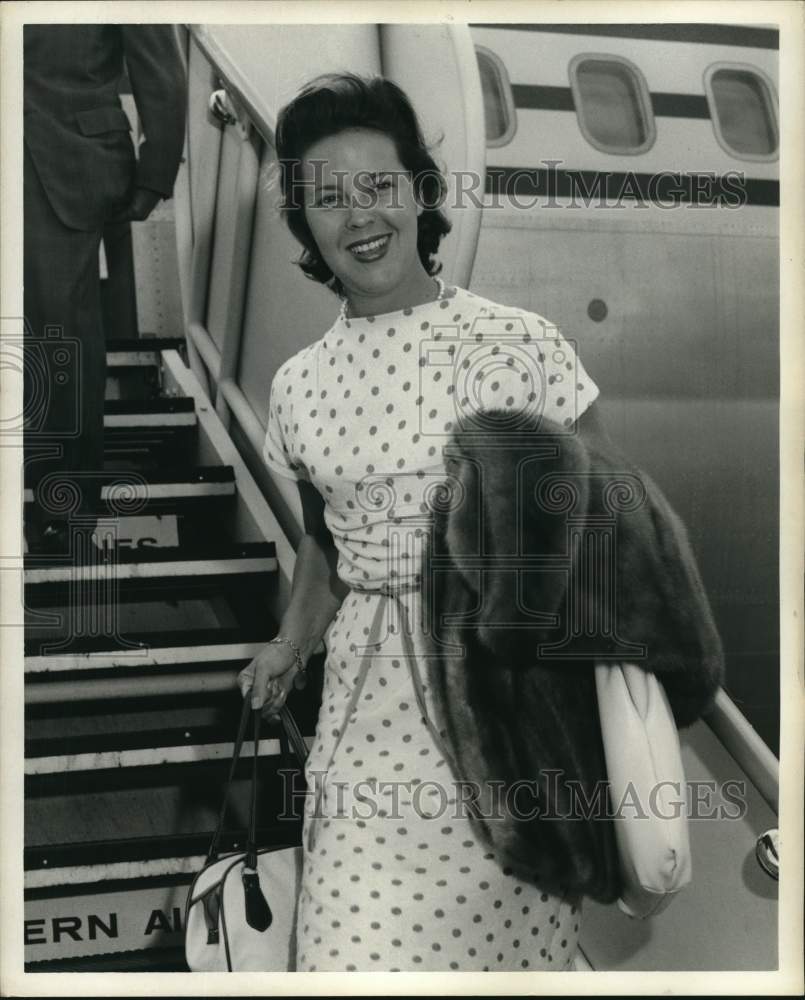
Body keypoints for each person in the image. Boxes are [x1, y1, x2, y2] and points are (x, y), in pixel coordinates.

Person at [237, 72, 605, 972]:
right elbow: (329, 544)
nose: (359, 216)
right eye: (328, 198)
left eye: (378, 185)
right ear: (306, 223)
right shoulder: (298, 385)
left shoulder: (522, 344)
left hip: (507, 712)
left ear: (420, 193)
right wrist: (289, 646)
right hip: (368, 724)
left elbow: (604, 525)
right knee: (343, 957)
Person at [23, 24, 186, 554]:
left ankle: (61, 506)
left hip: (64, 159)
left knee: (57, 331)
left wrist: (154, 173)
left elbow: (159, 68)